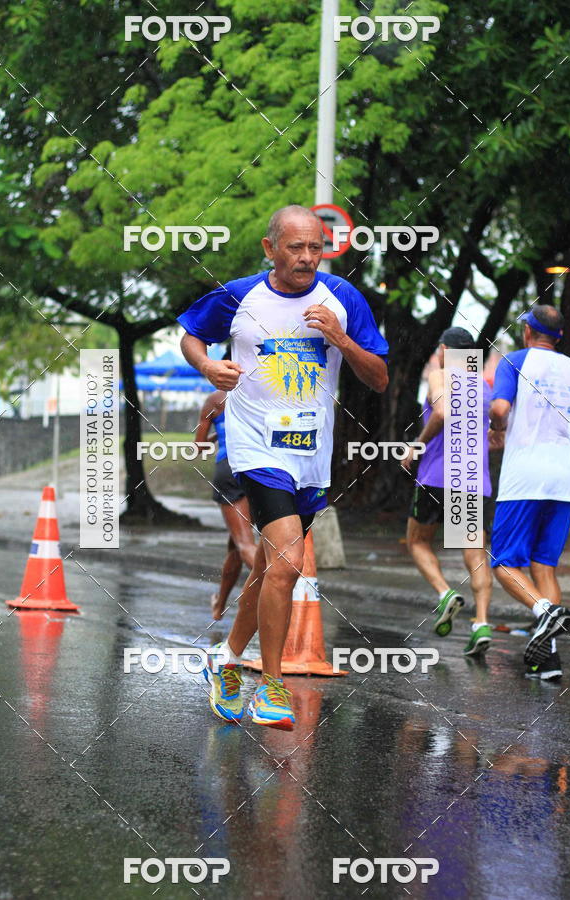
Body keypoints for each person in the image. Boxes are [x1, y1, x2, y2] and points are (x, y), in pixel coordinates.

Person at [179, 204, 389, 729]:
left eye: (316, 247)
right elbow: (190, 334)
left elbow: (380, 377)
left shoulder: (343, 299)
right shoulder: (239, 295)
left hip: (310, 456)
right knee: (290, 563)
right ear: (270, 248)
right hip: (255, 449)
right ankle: (270, 687)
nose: (307, 257)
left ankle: (225, 662)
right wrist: (207, 365)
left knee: (270, 568)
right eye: (295, 247)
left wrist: (341, 339)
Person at [489, 305, 570, 680]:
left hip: (525, 475)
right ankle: (547, 660)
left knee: (504, 562)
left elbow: (499, 407)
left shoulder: (516, 360)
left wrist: (497, 427)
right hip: (566, 476)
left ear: (528, 331)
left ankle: (546, 611)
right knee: (544, 564)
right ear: (557, 337)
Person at [403, 327, 494, 657]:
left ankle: (444, 593)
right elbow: (496, 424)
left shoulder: (440, 374)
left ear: (443, 349)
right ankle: (481, 622)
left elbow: (441, 412)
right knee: (474, 551)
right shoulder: (482, 386)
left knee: (417, 540)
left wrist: (416, 445)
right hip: (472, 479)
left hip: (437, 475)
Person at [194, 390, 256, 620]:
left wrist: (214, 436)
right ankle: (219, 604)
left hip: (229, 468)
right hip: (262, 467)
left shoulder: (214, 400)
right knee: (236, 545)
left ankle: (281, 588)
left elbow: (198, 446)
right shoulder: (262, 390)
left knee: (244, 544)